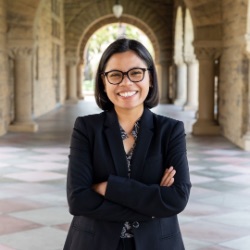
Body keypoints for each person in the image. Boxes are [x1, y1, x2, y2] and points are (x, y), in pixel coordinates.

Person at [63, 38, 191, 250]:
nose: (126, 82)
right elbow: (78, 200)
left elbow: (177, 199)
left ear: (150, 78)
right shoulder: (86, 128)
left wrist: (108, 187)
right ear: (103, 83)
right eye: (115, 75)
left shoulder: (170, 131)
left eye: (136, 73)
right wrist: (154, 203)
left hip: (156, 244)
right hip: (94, 243)